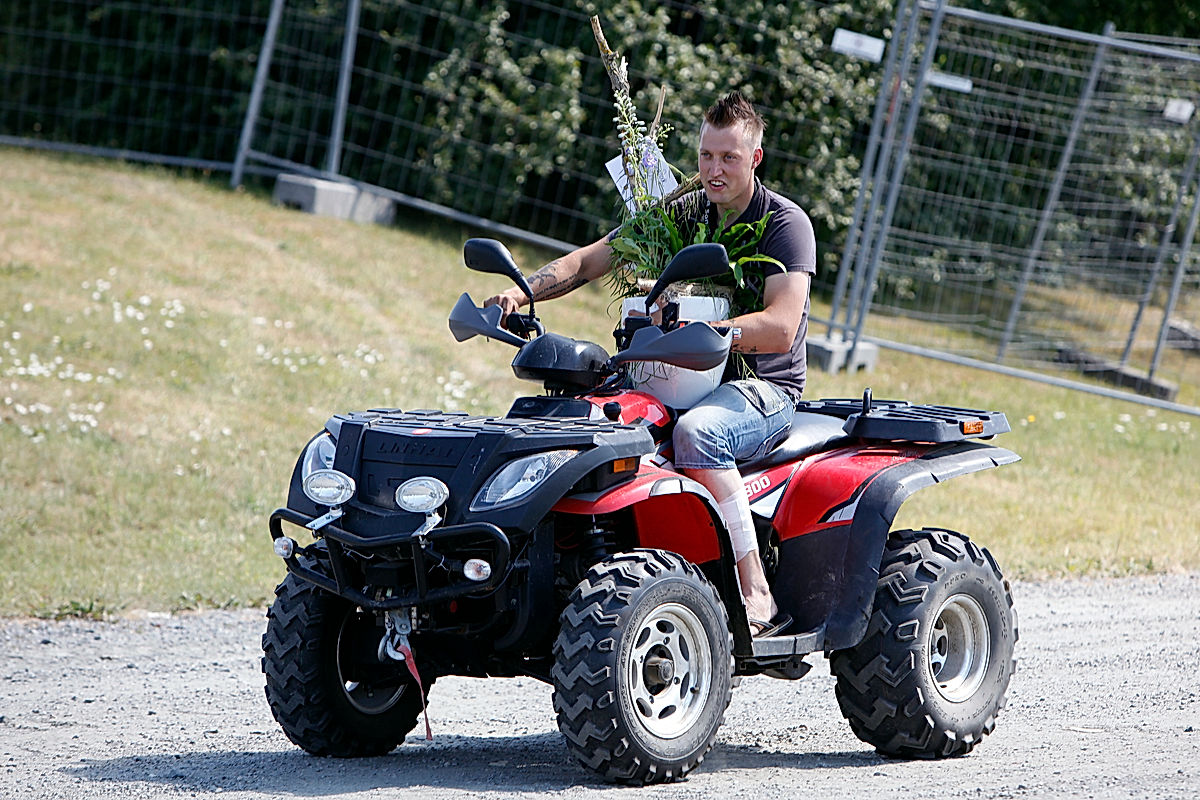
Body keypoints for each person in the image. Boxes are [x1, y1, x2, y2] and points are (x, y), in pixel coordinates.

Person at [484, 91, 816, 635]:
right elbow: (592, 259)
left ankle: (755, 588)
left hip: (758, 387)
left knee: (699, 435)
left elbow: (781, 326)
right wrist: (522, 294)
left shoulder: (784, 223)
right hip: (674, 373)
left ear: (755, 158)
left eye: (728, 158)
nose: (713, 170)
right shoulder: (685, 208)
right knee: (581, 422)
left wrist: (699, 331)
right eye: (706, 155)